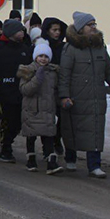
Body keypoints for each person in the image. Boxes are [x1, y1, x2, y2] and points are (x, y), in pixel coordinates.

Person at [58, 11, 110, 178]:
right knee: (73, 129)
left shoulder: (100, 47)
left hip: (96, 98)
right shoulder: (70, 49)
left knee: (95, 131)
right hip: (76, 98)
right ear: (81, 28)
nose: (94, 27)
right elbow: (64, 75)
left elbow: (109, 70)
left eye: (94, 24)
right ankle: (70, 158)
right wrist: (64, 96)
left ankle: (94, 165)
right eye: (90, 25)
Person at [0, 19, 31, 163]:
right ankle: (6, 148)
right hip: (5, 94)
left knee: (17, 123)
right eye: (19, 30)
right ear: (11, 32)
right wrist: (0, 88)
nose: (22, 33)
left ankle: (9, 143)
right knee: (7, 121)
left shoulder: (25, 50)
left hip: (22, 93)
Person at [17, 42, 63, 175]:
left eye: (46, 56)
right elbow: (25, 90)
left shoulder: (53, 72)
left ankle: (51, 161)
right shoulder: (27, 70)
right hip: (32, 109)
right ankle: (31, 158)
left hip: (48, 109)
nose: (43, 59)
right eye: (40, 56)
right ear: (35, 57)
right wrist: (38, 78)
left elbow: (56, 90)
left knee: (48, 135)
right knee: (31, 135)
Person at [41, 16, 68, 154]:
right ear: (48, 31)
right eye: (54, 30)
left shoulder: (64, 47)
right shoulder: (42, 46)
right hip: (45, 86)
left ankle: (57, 139)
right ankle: (48, 146)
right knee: (46, 118)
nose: (57, 33)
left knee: (63, 116)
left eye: (59, 30)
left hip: (60, 85)